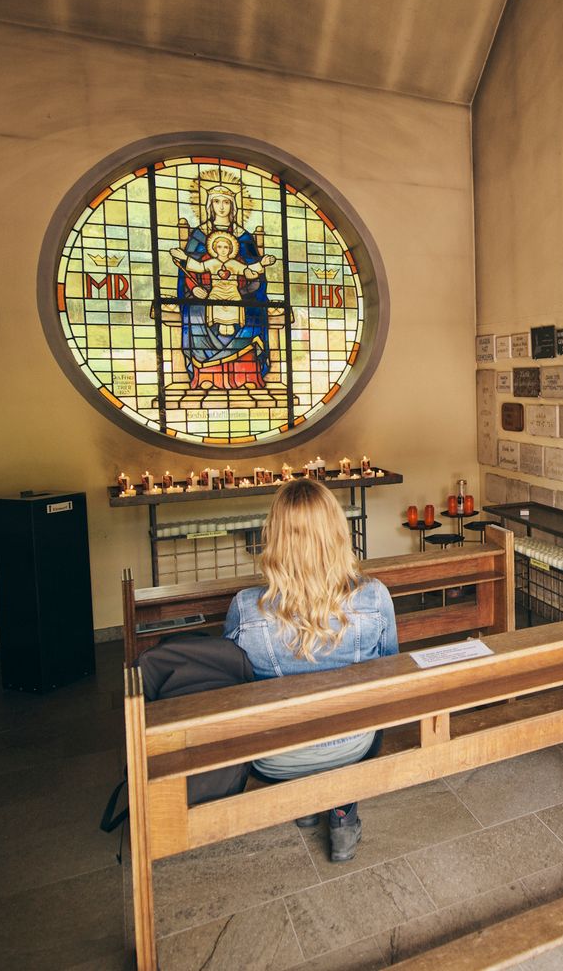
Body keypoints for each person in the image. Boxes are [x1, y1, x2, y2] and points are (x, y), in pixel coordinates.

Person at [223, 478, 397, 861]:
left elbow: (233, 690)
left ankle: (302, 799)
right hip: (354, 744)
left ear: (274, 537)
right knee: (360, 716)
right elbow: (390, 673)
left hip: (274, 756)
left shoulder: (246, 607)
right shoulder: (373, 596)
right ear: (337, 533)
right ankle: (342, 816)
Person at [173, 183, 272, 389]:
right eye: (216, 201)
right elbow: (191, 270)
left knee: (254, 312)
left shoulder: (244, 237)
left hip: (240, 293)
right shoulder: (199, 235)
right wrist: (194, 289)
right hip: (204, 294)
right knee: (195, 313)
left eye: (226, 202)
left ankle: (246, 377)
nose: (221, 207)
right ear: (209, 205)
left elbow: (253, 273)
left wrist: (254, 275)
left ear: (233, 206)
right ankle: (205, 377)